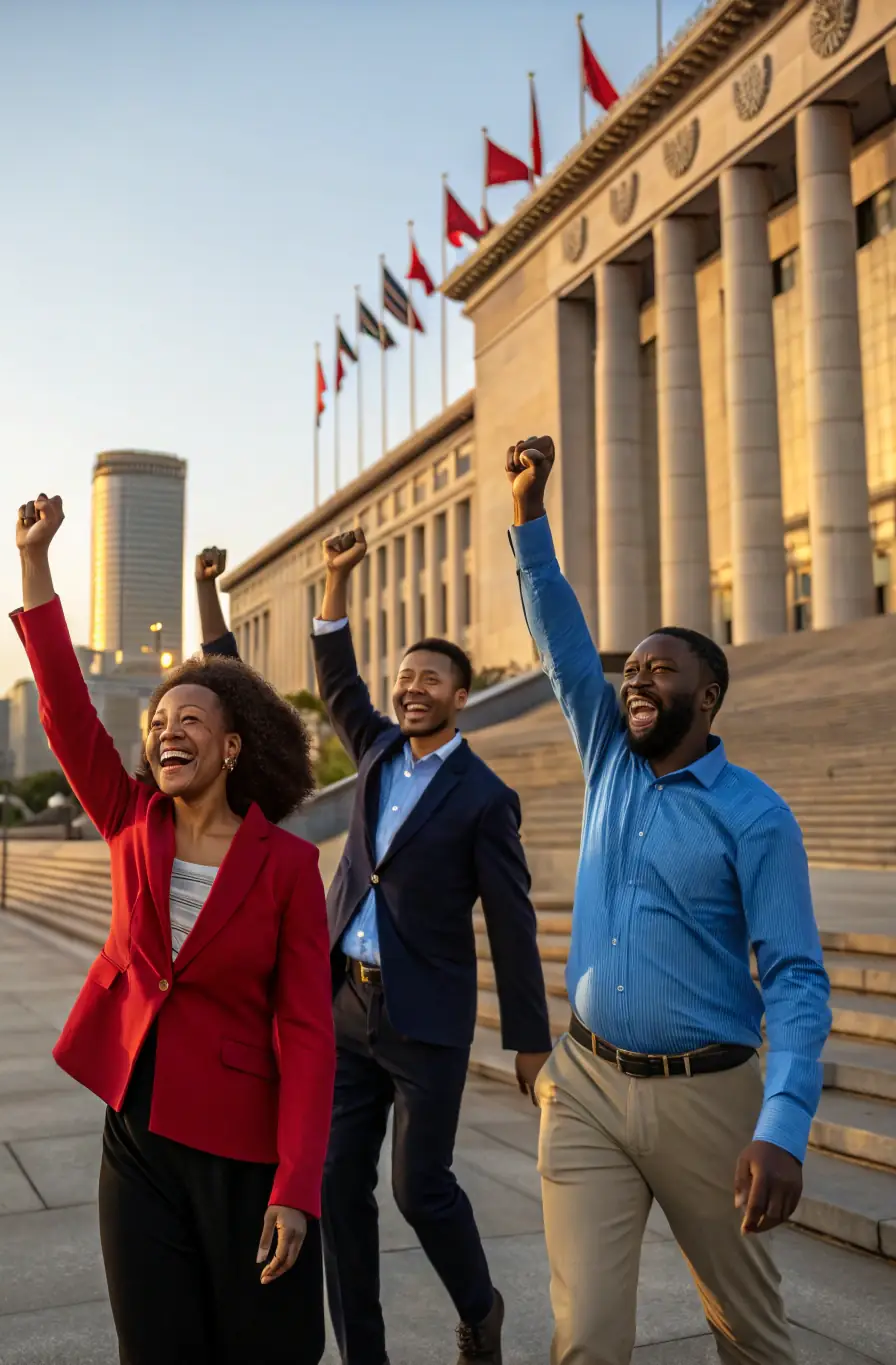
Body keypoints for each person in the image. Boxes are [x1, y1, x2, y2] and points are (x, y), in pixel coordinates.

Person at [503, 438, 832, 1365]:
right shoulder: (608, 758)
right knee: (588, 1338)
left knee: (753, 1339)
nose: (636, 680)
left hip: (711, 1097)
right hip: (587, 1089)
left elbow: (799, 979)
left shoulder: (755, 816)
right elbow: (563, 640)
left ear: (709, 695)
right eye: (633, 670)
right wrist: (529, 512)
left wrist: (782, 1123)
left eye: (660, 670)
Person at [11, 495, 335, 1365]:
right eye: (158, 722)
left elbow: (307, 1032)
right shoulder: (130, 819)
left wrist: (297, 1185)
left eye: (190, 718)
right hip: (138, 1130)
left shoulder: (289, 868)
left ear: (234, 747)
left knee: (262, 1346)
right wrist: (36, 565)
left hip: (243, 1146)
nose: (166, 730)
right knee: (154, 1346)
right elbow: (68, 712)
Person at [308, 527, 551, 1365]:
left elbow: (512, 923)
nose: (411, 689)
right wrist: (338, 579)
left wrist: (528, 1039)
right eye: (405, 677)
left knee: (420, 1187)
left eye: (429, 679)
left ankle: (480, 1308)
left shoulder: (486, 798)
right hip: (345, 1004)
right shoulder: (376, 752)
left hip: (426, 1023)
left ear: (460, 694)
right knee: (338, 1184)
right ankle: (363, 1355)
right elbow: (337, 677)